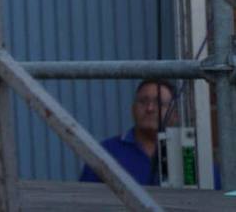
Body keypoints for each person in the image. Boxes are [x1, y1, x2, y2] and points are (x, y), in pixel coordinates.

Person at [78, 79, 220, 187]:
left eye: (159, 103)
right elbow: (85, 201)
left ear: (175, 114)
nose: (150, 108)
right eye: (143, 102)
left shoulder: (188, 153)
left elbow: (215, 196)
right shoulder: (105, 152)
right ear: (133, 108)